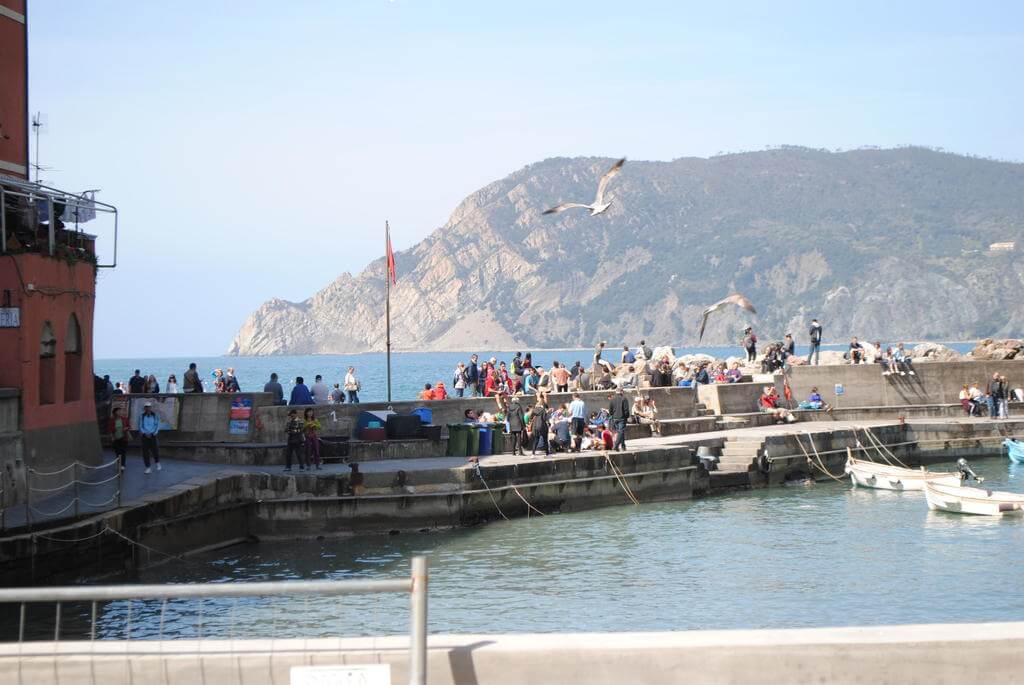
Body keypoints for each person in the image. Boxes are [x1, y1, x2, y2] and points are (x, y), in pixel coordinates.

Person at [138, 402, 162, 473]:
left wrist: (153, 433)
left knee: (155, 450)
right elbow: (140, 425)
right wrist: (144, 433)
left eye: (149, 407)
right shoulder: (141, 416)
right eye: (146, 407)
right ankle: (148, 467)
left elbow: (157, 425)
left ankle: (157, 462)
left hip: (153, 435)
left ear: (151, 408)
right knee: (145, 452)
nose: (148, 408)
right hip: (145, 435)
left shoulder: (155, 415)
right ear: (144, 408)